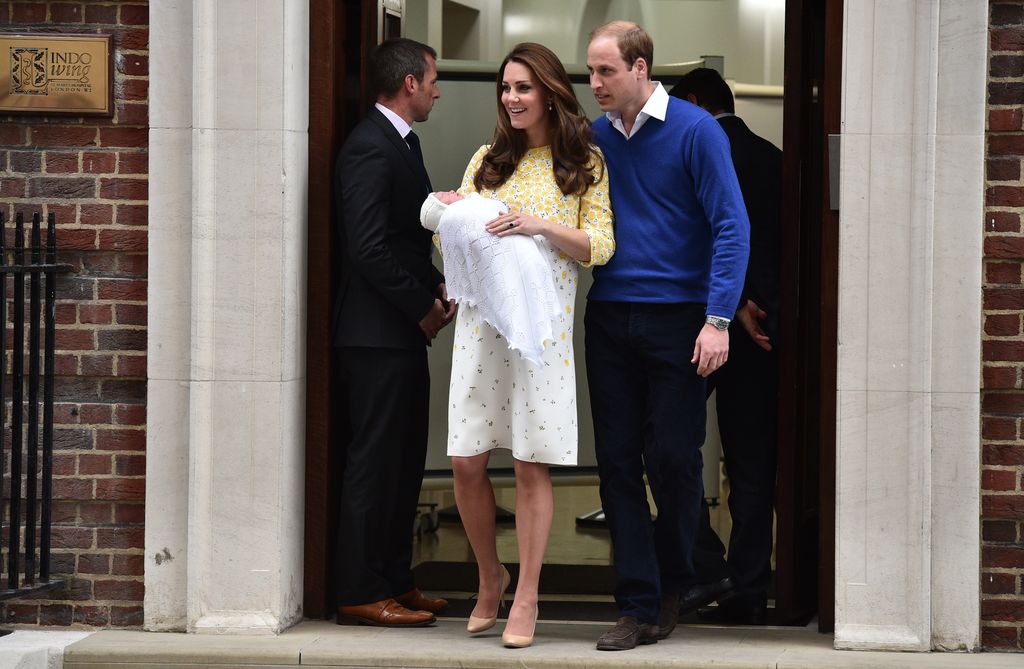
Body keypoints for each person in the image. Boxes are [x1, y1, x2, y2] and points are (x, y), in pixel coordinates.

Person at [584, 21, 750, 650]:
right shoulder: (594, 137)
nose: (594, 83)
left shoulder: (696, 130)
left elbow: (732, 226)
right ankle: (637, 603)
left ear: (640, 68)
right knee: (618, 465)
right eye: (591, 72)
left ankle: (675, 578)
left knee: (674, 460)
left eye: (605, 71)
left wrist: (718, 319)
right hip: (609, 316)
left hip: (683, 319)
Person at [447, 42, 614, 649]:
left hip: (543, 336)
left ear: (548, 92)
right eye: (505, 88)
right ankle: (490, 575)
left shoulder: (584, 161)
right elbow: (453, 244)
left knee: (528, 463)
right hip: (481, 328)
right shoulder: (486, 160)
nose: (512, 99)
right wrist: (451, 217)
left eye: (523, 88)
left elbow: (600, 245)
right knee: (466, 461)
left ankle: (528, 594)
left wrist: (536, 223)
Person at [333, 38, 456, 628]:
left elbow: (405, 240)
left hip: (399, 330)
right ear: (409, 83)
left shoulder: (402, 143)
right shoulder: (369, 148)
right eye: (432, 79)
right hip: (375, 333)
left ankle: (395, 580)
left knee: (405, 460)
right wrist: (420, 308)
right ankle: (360, 590)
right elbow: (367, 248)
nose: (437, 89)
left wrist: (437, 285)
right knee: (374, 461)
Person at [668, 68, 781, 625]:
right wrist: (762, 305)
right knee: (751, 460)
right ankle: (750, 585)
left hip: (697, 321)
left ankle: (704, 565)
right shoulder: (775, 157)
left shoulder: (689, 150)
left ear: (692, 103)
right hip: (760, 330)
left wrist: (729, 303)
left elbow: (699, 234)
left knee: (669, 448)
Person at [420, 190, 561, 366]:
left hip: (527, 257)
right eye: (442, 196)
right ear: (442, 208)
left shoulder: (471, 201)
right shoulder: (458, 214)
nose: (451, 191)